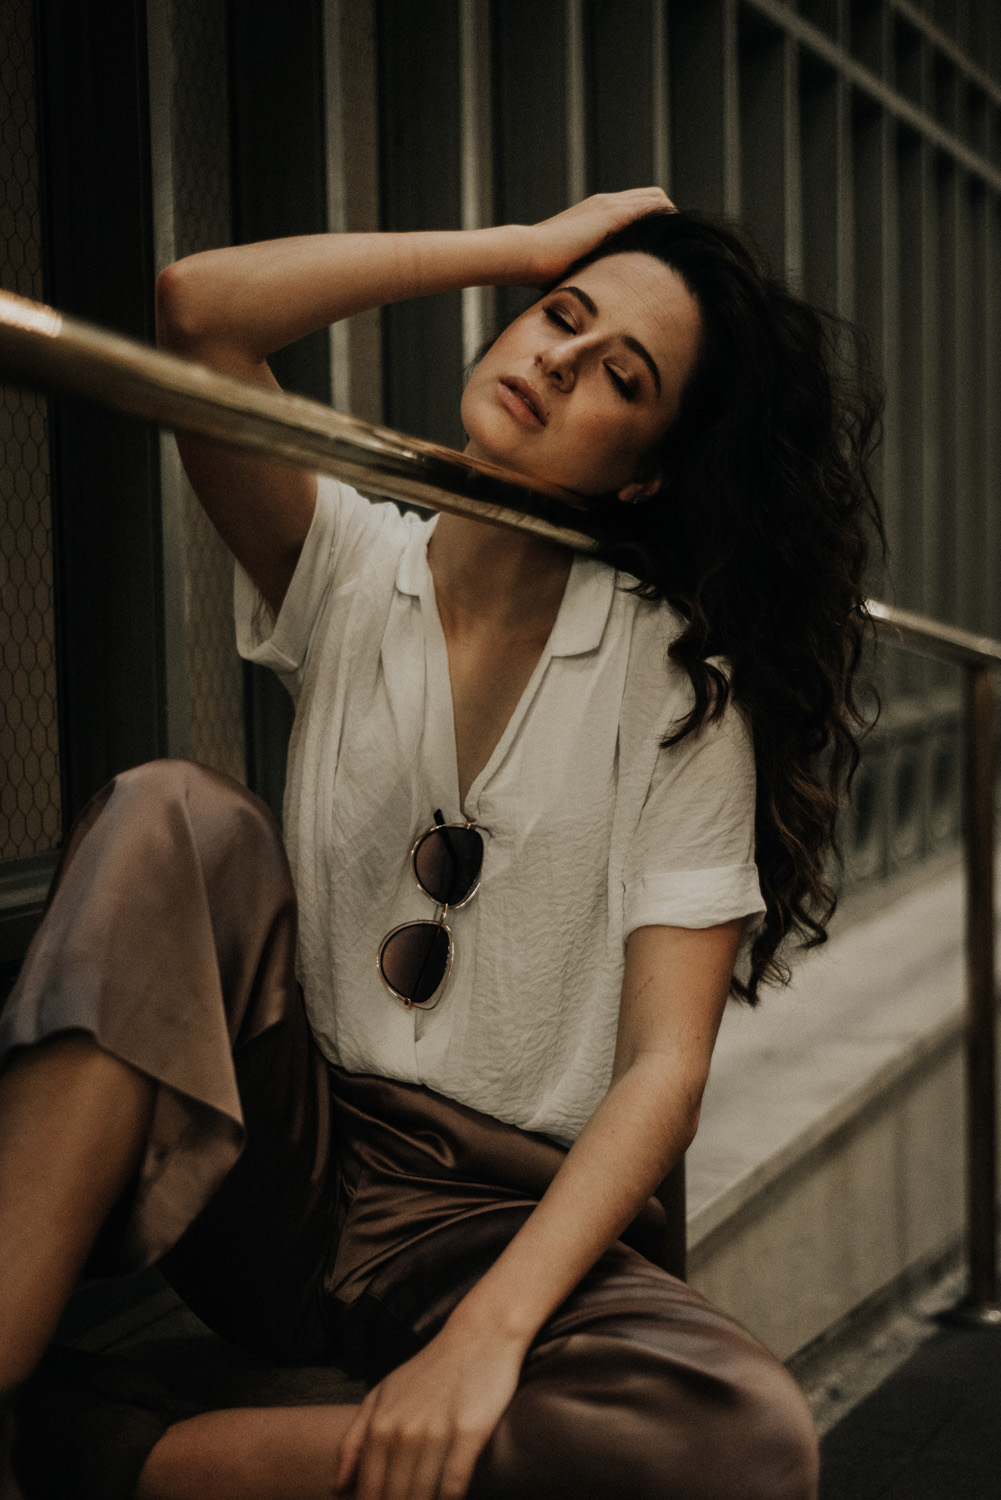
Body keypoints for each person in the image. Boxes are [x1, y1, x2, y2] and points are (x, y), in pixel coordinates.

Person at [0, 189, 881, 1500]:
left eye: (616, 375)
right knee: (172, 814)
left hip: (502, 1219)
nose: (557, 357)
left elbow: (662, 1069)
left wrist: (487, 1336)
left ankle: (111, 1455)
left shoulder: (677, 683)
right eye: (556, 320)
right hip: (290, 1178)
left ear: (641, 470)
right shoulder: (349, 569)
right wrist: (522, 247)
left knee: (736, 1445)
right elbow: (201, 310)